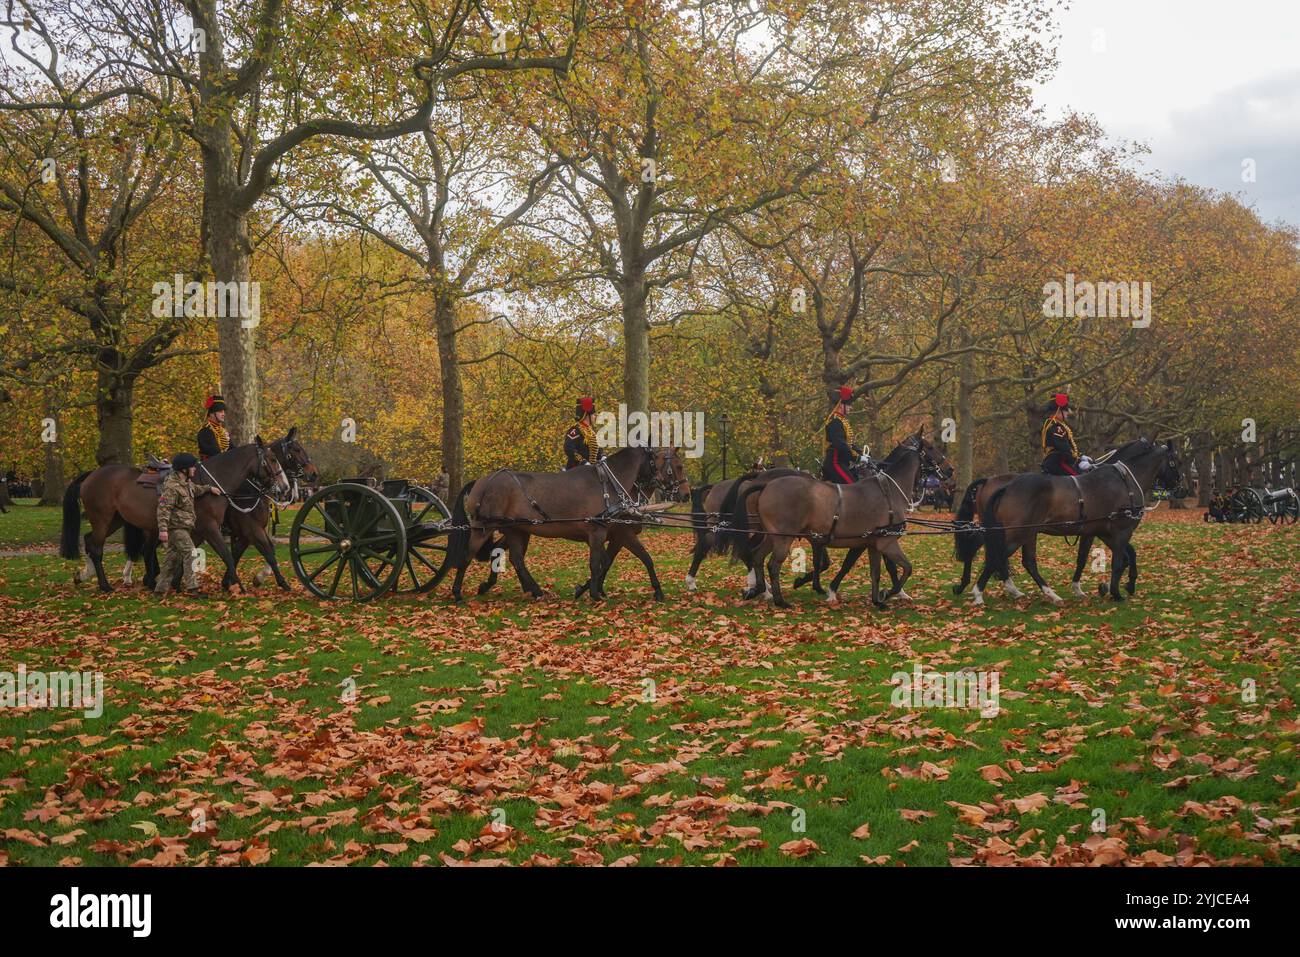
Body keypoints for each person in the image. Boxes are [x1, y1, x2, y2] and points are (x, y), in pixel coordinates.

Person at [155, 452, 222, 596]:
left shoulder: (186, 483)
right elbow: (163, 508)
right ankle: (193, 589)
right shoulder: (171, 487)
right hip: (176, 528)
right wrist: (163, 530)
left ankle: (160, 590)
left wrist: (209, 488)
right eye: (192, 467)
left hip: (184, 527)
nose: (194, 469)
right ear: (184, 469)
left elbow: (196, 490)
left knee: (171, 560)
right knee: (191, 553)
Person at [1040, 393, 1090, 476]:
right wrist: (1077, 462)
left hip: (1059, 460)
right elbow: (1063, 447)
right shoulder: (1056, 426)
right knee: (1081, 477)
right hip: (1057, 461)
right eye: (1065, 410)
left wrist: (1080, 456)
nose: (1067, 413)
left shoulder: (1055, 424)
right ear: (1058, 411)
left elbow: (1068, 447)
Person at [821, 385, 863, 484]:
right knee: (853, 488)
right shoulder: (835, 421)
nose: (851, 407)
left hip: (842, 462)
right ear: (841, 405)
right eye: (849, 404)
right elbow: (841, 445)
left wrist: (861, 453)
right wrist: (857, 458)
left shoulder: (841, 420)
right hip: (835, 462)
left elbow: (849, 443)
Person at [564, 396, 603, 469]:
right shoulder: (575, 431)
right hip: (577, 469)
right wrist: (582, 461)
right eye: (593, 414)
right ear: (587, 415)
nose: (595, 416)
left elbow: (597, 448)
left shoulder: (592, 432)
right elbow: (568, 448)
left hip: (591, 469)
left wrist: (602, 456)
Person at [197, 394, 231, 461]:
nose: (223, 414)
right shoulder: (205, 431)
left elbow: (232, 449)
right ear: (212, 413)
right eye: (220, 411)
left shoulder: (223, 431)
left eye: (224, 411)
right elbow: (215, 453)